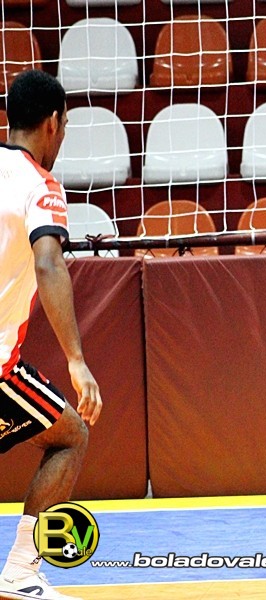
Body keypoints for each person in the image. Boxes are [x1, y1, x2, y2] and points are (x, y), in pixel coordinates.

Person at [0, 70, 102, 600]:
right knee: (71, 435)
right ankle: (21, 571)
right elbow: (48, 263)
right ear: (53, 123)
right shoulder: (41, 185)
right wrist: (76, 360)